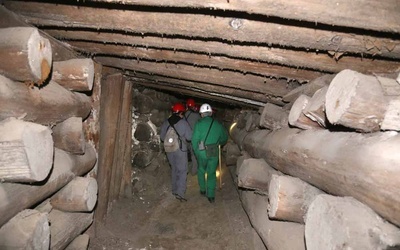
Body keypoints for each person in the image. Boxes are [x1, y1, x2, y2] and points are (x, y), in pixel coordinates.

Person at [191, 103, 228, 203]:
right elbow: (224, 138)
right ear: (211, 113)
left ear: (201, 114)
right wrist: (218, 143)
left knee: (201, 170)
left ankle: (202, 190)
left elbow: (194, 140)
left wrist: (197, 152)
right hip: (213, 151)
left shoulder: (199, 124)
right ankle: (211, 195)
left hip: (202, 152)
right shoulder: (218, 125)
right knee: (211, 173)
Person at [160, 102, 192, 202]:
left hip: (169, 149)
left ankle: (174, 190)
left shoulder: (166, 122)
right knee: (182, 170)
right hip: (180, 149)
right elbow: (189, 137)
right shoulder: (183, 122)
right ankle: (180, 193)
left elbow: (161, 137)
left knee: (174, 168)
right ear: (181, 112)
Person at [184, 98, 201, 175]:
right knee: (194, 154)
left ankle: (185, 170)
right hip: (194, 137)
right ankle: (194, 170)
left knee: (184, 155)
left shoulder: (183, 115)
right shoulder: (197, 115)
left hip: (185, 138)